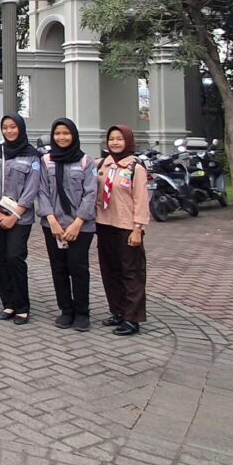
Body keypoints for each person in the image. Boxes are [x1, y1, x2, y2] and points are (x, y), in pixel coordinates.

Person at [37, 117, 97, 332]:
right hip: (53, 224)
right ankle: (66, 310)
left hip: (81, 225)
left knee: (78, 267)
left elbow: (91, 193)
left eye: (66, 133)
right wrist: (51, 220)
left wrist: (77, 223)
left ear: (74, 135)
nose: (61, 137)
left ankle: (82, 312)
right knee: (59, 267)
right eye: (57, 133)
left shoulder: (86, 162)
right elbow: (41, 190)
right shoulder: (46, 161)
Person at [0, 113, 42, 325]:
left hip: (21, 217)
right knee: (0, 258)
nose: (9, 131)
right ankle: (8, 303)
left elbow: (32, 187)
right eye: (5, 127)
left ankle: (22, 306)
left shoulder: (31, 155)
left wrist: (15, 214)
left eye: (13, 127)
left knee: (15, 257)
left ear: (20, 128)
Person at [96, 124, 149, 336]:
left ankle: (132, 318)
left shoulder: (135, 167)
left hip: (127, 227)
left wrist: (138, 228)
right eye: (111, 139)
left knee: (131, 272)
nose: (115, 142)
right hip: (104, 224)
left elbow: (141, 200)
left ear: (128, 141)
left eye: (119, 139)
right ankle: (117, 311)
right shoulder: (102, 164)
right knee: (110, 271)